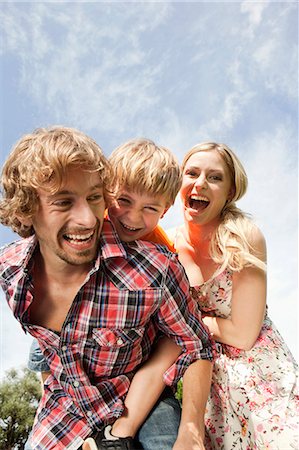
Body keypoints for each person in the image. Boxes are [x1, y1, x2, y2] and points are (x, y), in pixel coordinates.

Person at [0, 127, 214, 450]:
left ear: (164, 210)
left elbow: (190, 340)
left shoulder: (158, 261)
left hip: (137, 378)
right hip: (70, 393)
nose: (131, 218)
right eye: (123, 201)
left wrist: (192, 429)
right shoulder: (20, 267)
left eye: (150, 209)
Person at [168, 142, 299, 449]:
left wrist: (186, 323)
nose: (200, 183)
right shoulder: (166, 244)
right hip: (205, 377)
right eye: (192, 173)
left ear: (229, 191)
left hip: (261, 372)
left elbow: (242, 333)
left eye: (214, 177)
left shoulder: (243, 237)